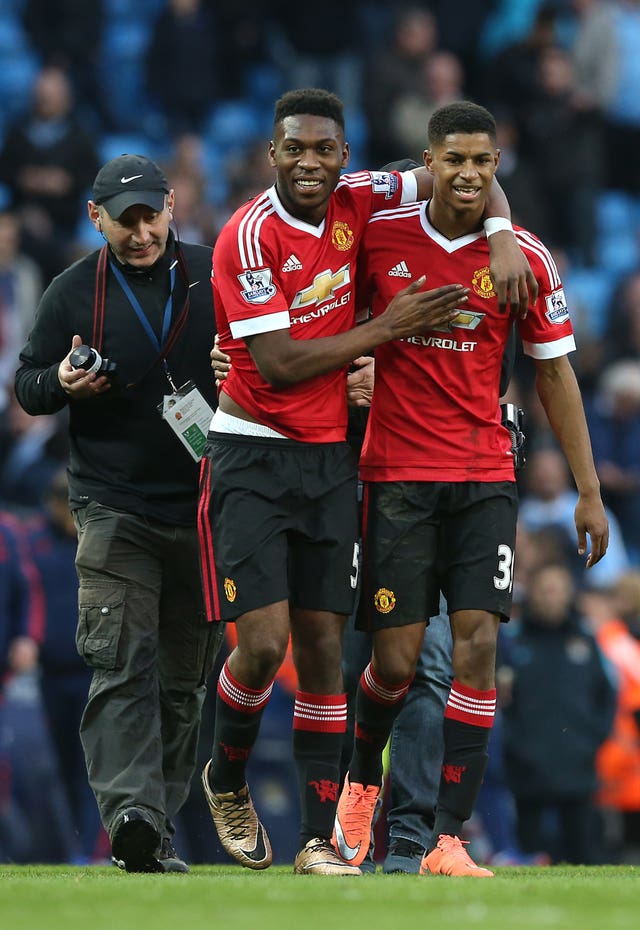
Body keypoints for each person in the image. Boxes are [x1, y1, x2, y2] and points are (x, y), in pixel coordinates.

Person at [197, 87, 535, 877]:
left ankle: (319, 838)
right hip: (252, 449)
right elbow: (277, 367)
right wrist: (387, 331)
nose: (310, 163)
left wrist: (500, 231)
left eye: (324, 149)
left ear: (345, 156)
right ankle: (226, 774)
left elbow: (467, 166)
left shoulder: (365, 197)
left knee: (323, 648)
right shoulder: (248, 236)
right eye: (294, 149)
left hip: (332, 459)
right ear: (271, 155)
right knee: (266, 644)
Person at [332, 100, 609, 878]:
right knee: (396, 661)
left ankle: (447, 838)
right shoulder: (379, 236)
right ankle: (361, 781)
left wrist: (589, 491)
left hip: (485, 472)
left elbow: (553, 372)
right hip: (393, 476)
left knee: (477, 647)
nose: (466, 174)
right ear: (430, 159)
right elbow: (326, 317)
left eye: (481, 162)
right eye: (452, 159)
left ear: (496, 167)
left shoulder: (525, 259)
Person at [13, 154, 224, 874]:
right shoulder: (75, 291)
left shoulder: (215, 272)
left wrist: (245, 370)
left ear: (171, 206)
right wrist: (63, 381)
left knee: (183, 680)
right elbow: (28, 385)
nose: (140, 232)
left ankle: (152, 826)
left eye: (150, 215)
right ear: (96, 218)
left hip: (203, 508)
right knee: (121, 664)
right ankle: (130, 812)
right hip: (113, 506)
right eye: (124, 219)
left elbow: (274, 359)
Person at [499, 561, 617, 864]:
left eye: (557, 590)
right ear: (532, 593)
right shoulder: (512, 641)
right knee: (527, 858)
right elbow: (498, 702)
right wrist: (515, 744)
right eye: (545, 590)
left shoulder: (587, 640)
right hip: (526, 771)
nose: (551, 597)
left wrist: (592, 739)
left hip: (577, 768)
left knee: (586, 857)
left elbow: (608, 695)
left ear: (569, 594)